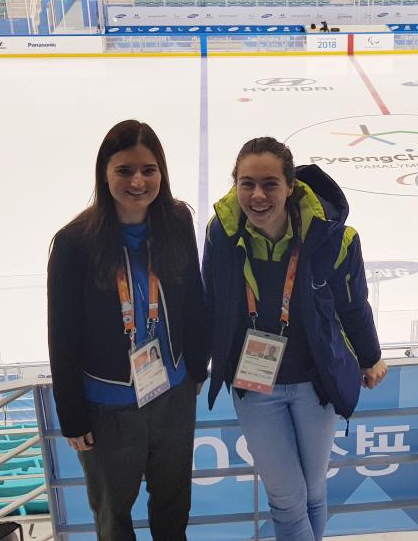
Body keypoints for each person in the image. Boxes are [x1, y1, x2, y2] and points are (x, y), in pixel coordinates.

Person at [203, 137, 387, 541]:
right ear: (235, 185)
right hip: (254, 385)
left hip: (314, 383)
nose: (257, 195)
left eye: (270, 183)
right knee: (287, 498)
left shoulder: (333, 238)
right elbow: (211, 301)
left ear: (291, 187)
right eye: (246, 183)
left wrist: (370, 356)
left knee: (313, 493)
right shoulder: (222, 232)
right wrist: (197, 364)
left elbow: (353, 305)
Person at [46, 120, 208, 541]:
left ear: (162, 173)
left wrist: (197, 368)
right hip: (106, 407)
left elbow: (194, 297)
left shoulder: (176, 220)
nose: (138, 181)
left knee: (174, 506)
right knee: (114, 516)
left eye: (149, 170)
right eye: (125, 170)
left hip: (172, 394)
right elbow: (61, 334)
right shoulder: (74, 242)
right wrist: (72, 415)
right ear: (105, 173)